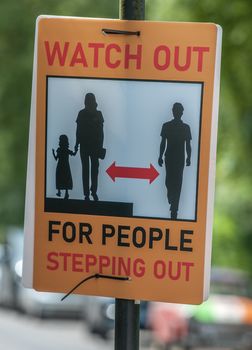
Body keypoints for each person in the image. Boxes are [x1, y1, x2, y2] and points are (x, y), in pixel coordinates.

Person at [158, 102, 192, 219]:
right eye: (175, 110)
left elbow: (188, 144)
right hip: (169, 157)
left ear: (181, 113)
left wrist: (189, 157)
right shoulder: (166, 126)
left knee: (178, 182)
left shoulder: (186, 128)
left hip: (179, 159)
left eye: (178, 110)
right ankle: (171, 198)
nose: (177, 112)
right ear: (173, 112)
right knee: (168, 181)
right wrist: (160, 156)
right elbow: (163, 143)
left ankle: (174, 208)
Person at [74, 93, 104, 201]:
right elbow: (79, 130)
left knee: (89, 169)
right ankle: (89, 193)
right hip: (88, 145)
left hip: (90, 146)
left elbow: (101, 132)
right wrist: (77, 143)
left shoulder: (94, 114)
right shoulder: (83, 114)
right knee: (90, 169)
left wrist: (77, 143)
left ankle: (90, 192)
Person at [52, 134, 77, 199]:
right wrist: (76, 150)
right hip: (65, 165)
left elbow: (55, 158)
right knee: (65, 178)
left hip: (61, 165)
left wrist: (53, 153)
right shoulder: (66, 150)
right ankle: (65, 193)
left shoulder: (59, 150)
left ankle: (60, 192)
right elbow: (73, 154)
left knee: (60, 177)